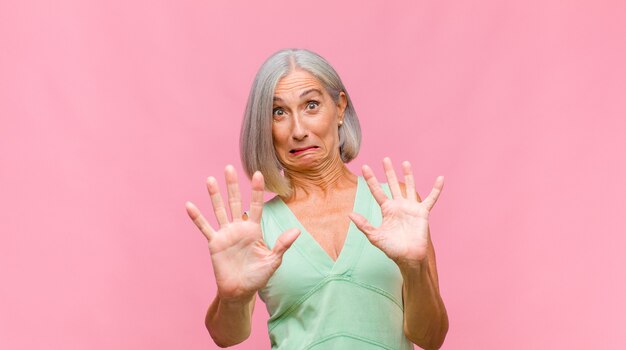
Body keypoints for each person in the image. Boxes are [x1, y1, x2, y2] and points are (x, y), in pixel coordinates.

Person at [185, 48, 448, 349]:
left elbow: (431, 337)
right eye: (278, 112)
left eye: (311, 105)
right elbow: (226, 336)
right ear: (265, 127)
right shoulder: (256, 229)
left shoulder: (398, 207)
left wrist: (414, 270)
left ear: (339, 108)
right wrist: (231, 298)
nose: (298, 130)